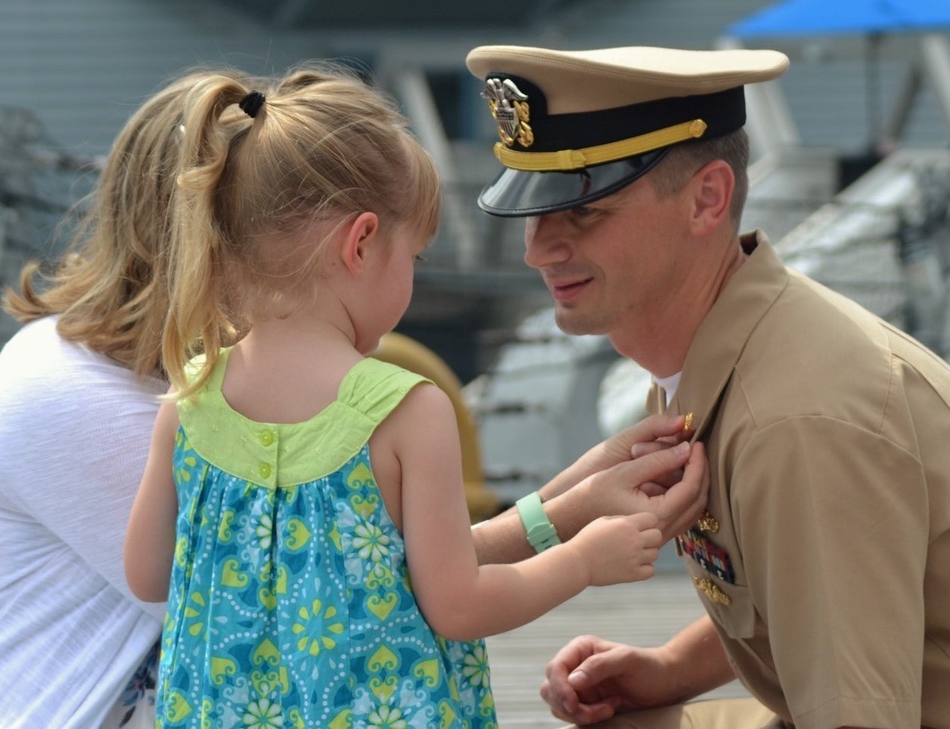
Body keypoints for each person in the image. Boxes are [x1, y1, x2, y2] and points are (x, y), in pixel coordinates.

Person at [122, 63, 710, 729]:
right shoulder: (404, 409)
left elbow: (146, 574)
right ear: (363, 242)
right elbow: (457, 600)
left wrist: (577, 494)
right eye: (416, 256)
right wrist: (583, 560)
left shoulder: (190, 400)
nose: (413, 276)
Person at [465, 44, 950, 729]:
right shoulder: (714, 357)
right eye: (536, 212)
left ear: (707, 199)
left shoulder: (795, 422)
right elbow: (798, 595)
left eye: (583, 211)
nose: (536, 249)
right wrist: (668, 670)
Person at [0, 67, 254, 728]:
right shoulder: (73, 393)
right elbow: (290, 610)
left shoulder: (173, 382)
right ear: (212, 240)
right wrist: (531, 528)